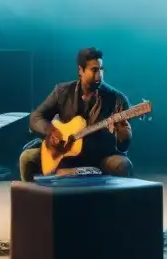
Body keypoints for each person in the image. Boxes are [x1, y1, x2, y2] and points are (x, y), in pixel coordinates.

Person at [20, 47, 134, 181]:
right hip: (66, 154)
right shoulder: (62, 92)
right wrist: (51, 130)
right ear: (81, 70)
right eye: (94, 70)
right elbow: (36, 117)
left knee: (122, 165)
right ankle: (34, 201)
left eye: (101, 70)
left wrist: (124, 134)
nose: (99, 75)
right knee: (27, 158)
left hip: (101, 157)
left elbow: (123, 146)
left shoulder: (118, 99)